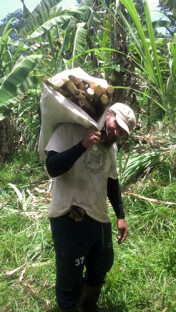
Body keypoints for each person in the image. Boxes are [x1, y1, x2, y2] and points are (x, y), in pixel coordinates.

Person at [45, 103, 136, 312]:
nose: (117, 132)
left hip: (98, 214)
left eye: (122, 131)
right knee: (70, 273)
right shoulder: (68, 130)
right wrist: (82, 145)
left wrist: (120, 216)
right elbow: (52, 167)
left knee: (102, 262)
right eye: (116, 125)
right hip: (69, 214)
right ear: (108, 114)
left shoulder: (110, 146)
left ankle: (89, 305)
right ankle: (69, 307)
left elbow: (112, 181)